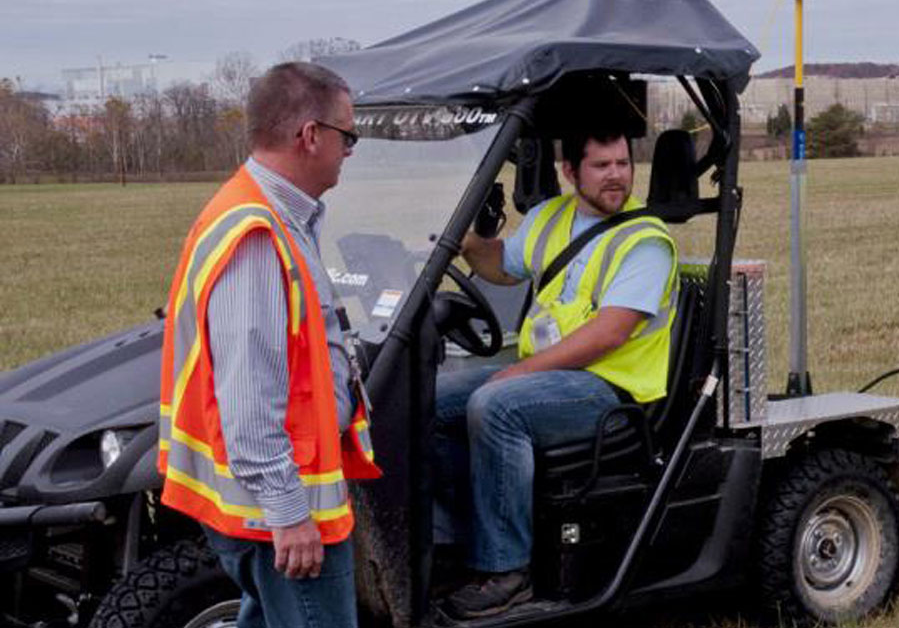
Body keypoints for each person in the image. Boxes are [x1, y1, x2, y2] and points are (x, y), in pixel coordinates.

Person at [158, 62, 380, 628]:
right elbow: (250, 391)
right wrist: (288, 513)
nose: (350, 150)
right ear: (311, 136)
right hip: (282, 510)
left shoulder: (273, 214)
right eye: (347, 136)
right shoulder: (256, 234)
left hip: (269, 506)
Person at [435, 126, 678, 619]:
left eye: (623, 165)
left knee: (495, 406)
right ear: (571, 172)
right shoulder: (553, 217)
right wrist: (463, 239)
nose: (616, 177)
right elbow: (503, 266)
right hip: (550, 378)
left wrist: (519, 371)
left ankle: (507, 573)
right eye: (602, 166)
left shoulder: (645, 242)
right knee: (429, 397)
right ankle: (453, 541)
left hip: (612, 391)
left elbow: (607, 334)